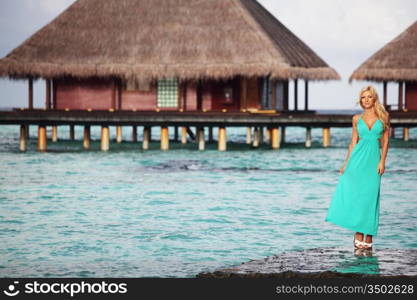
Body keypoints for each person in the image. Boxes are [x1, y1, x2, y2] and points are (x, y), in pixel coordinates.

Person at [325, 86, 390, 250]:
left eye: (369, 97)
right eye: (363, 97)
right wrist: (346, 163)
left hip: (373, 161)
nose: (366, 100)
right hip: (357, 161)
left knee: (371, 197)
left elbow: (386, 142)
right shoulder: (356, 119)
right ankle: (359, 233)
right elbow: (353, 142)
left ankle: (369, 234)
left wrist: (382, 161)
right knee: (356, 197)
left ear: (374, 99)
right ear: (360, 100)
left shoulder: (383, 117)